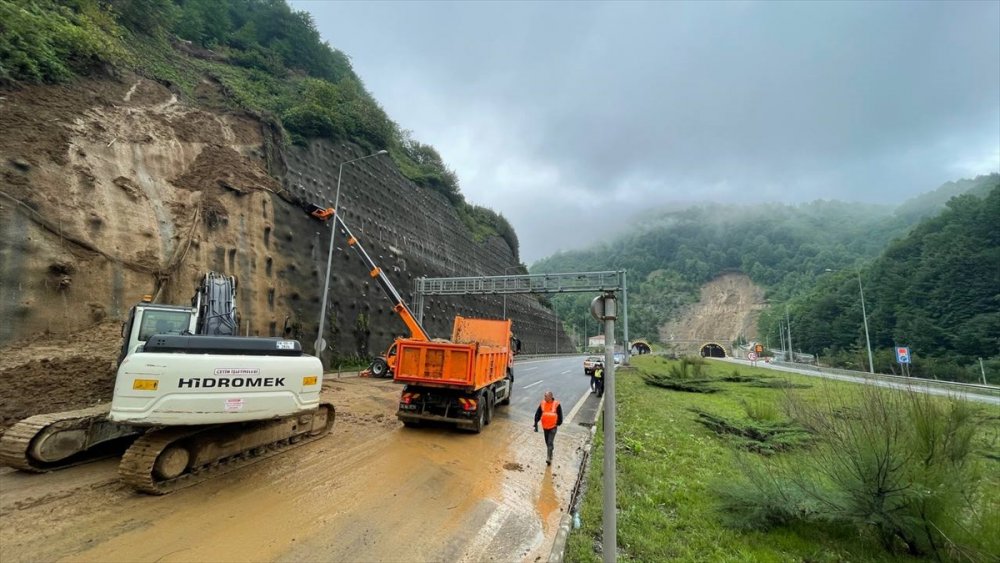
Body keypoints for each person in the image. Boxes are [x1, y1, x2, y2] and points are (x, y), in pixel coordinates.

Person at [533, 391, 563, 465]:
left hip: (553, 427)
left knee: (550, 442)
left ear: (550, 397)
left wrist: (558, 423)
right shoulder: (542, 403)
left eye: (546, 396)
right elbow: (538, 413)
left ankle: (548, 458)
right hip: (545, 427)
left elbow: (560, 414)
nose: (544, 398)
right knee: (547, 442)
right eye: (544, 396)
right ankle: (551, 451)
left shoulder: (556, 404)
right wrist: (536, 422)